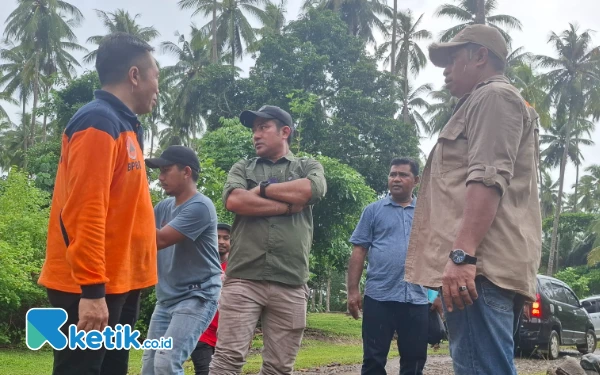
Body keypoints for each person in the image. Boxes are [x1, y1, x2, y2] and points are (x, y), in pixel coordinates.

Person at [403, 24, 542, 375]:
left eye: (453, 59)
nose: (446, 70)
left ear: (480, 56)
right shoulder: (488, 102)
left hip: (477, 272)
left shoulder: (493, 97)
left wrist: (462, 256)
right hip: (482, 270)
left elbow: (487, 179)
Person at [37, 32, 159, 375]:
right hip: (88, 286)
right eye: (156, 76)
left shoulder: (124, 126)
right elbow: (83, 212)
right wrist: (91, 292)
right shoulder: (98, 122)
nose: (157, 87)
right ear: (135, 75)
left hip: (119, 280)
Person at [208, 105, 327, 375]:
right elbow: (235, 200)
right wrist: (286, 206)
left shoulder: (307, 166)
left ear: (285, 132)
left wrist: (262, 189)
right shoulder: (243, 166)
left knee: (279, 368)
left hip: (291, 280)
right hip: (243, 279)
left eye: (263, 127)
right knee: (226, 360)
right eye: (254, 129)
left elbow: (312, 189)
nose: (256, 135)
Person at [347, 158, 436, 375]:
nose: (396, 179)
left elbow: (436, 254)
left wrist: (437, 295)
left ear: (416, 180)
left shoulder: (428, 213)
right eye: (392, 174)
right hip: (379, 298)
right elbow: (359, 252)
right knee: (373, 362)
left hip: (417, 298)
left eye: (403, 175)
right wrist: (353, 291)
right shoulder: (373, 211)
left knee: (414, 362)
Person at [141, 145, 223, 375]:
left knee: (166, 362)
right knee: (149, 366)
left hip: (196, 295)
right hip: (166, 299)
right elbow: (139, 240)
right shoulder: (164, 207)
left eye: (166, 170)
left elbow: (158, 240)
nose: (161, 177)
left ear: (186, 172)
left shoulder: (200, 206)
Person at [191, 223, 231, 375]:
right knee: (205, 372)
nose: (221, 241)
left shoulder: (238, 269)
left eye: (226, 238)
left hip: (228, 334)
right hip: (202, 331)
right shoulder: (199, 264)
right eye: (217, 237)